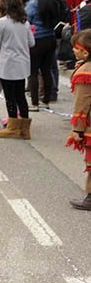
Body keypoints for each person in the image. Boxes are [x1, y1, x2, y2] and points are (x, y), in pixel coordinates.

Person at [0, 0, 35, 140]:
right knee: (20, 96)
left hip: (7, 64)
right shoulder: (25, 23)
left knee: (10, 97)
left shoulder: (2, 23)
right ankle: (25, 128)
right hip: (22, 64)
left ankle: (12, 128)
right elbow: (32, 43)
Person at [67, 29, 91, 210]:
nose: (73, 50)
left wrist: (78, 129)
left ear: (86, 52)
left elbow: (82, 103)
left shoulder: (85, 72)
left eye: (77, 48)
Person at [25, 0, 58, 110]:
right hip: (51, 38)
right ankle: (46, 100)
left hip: (36, 40)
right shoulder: (54, 3)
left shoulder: (33, 4)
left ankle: (34, 103)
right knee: (46, 70)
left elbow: (26, 19)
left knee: (32, 71)